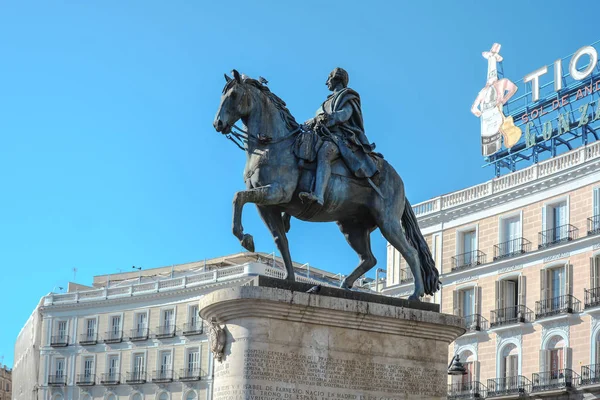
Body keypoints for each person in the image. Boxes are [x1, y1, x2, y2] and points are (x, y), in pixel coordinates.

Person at [299, 68, 378, 206]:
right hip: (322, 135)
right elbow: (318, 119)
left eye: (328, 79)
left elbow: (344, 115)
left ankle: (318, 195)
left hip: (340, 138)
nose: (326, 83)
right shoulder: (325, 103)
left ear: (337, 78)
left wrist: (325, 118)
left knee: (324, 153)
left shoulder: (347, 97)